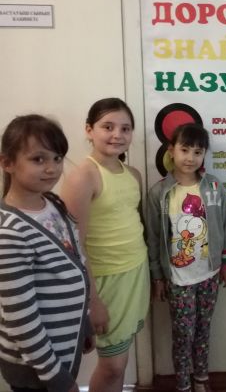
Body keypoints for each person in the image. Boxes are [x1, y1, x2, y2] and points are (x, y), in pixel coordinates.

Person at [61, 98, 149, 392]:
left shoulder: (133, 174)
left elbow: (136, 225)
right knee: (112, 368)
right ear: (89, 130)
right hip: (105, 281)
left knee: (119, 361)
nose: (117, 135)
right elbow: (74, 246)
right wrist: (93, 300)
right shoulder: (83, 176)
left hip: (136, 273)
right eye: (107, 127)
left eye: (125, 128)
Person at [0, 115, 93, 392]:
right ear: (7, 163)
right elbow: (22, 318)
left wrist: (84, 322)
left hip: (62, 351)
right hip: (37, 369)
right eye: (38, 159)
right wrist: (54, 376)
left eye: (57, 158)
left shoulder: (52, 204)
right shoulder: (9, 232)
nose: (52, 168)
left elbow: (76, 260)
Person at [146, 123, 226, 392]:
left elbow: (225, 225)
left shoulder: (214, 187)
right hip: (178, 279)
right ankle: (183, 384)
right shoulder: (159, 192)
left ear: (204, 154)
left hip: (209, 274)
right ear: (171, 151)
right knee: (183, 334)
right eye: (184, 150)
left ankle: (201, 378)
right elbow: (153, 237)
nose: (190, 158)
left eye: (198, 152)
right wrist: (157, 277)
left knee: (203, 330)